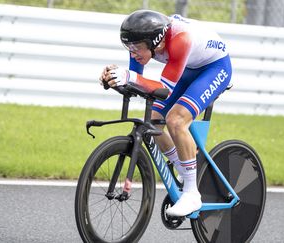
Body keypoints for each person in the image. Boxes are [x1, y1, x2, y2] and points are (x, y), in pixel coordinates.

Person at [99, 10, 232, 217]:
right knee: (154, 120)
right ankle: (185, 165)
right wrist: (115, 80)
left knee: (176, 120)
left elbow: (163, 89)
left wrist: (128, 76)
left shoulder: (181, 39)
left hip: (214, 68)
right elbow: (136, 80)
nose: (132, 53)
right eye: (129, 48)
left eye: (136, 49)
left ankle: (191, 193)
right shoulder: (142, 40)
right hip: (189, 66)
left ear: (155, 43)